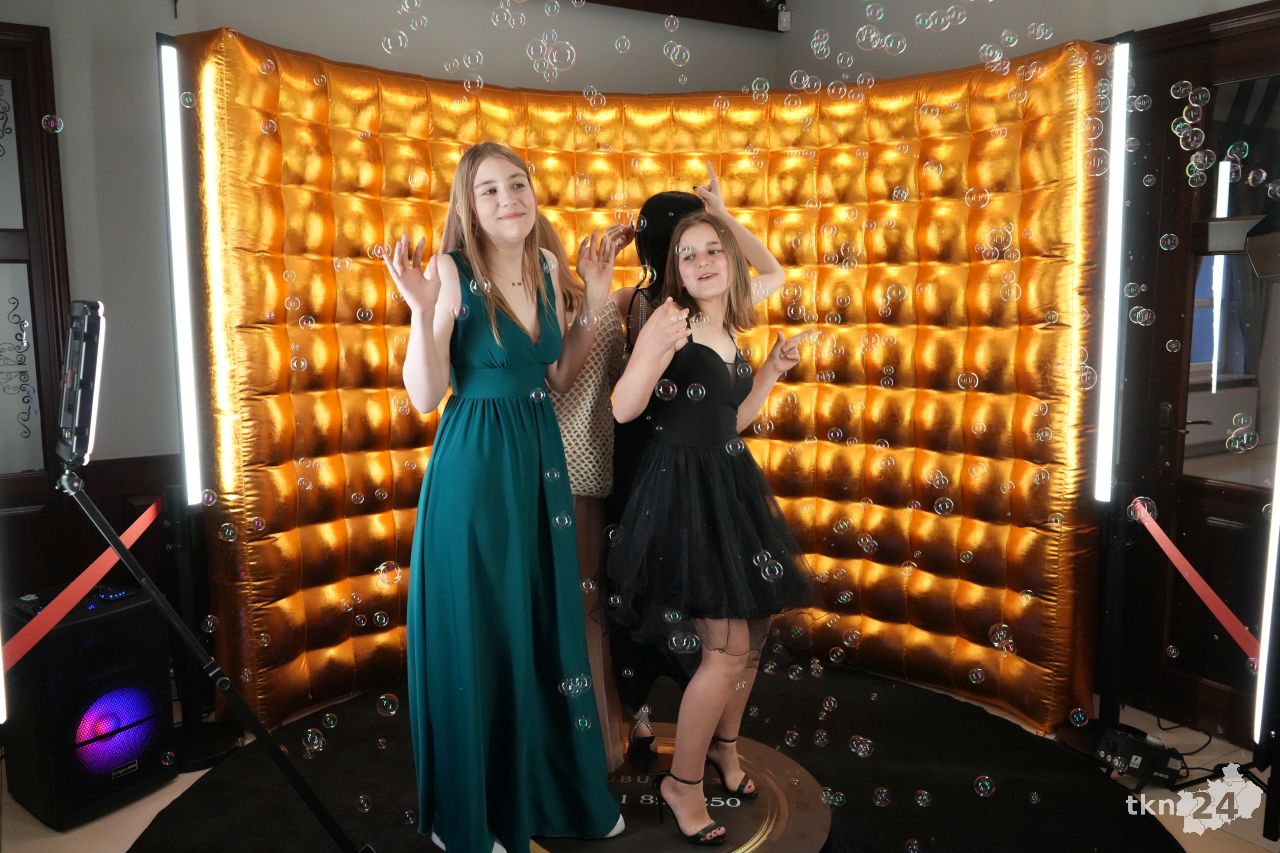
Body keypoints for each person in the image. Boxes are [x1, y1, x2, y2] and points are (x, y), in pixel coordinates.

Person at [385, 141, 624, 852]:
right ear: (468, 205)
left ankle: (547, 791)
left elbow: (556, 376)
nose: (507, 198)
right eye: (488, 189)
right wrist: (421, 310)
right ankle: (468, 815)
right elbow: (425, 394)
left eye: (516, 184)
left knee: (539, 624)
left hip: (537, 458)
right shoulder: (449, 272)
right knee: (485, 629)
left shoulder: (547, 265)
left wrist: (596, 299)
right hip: (476, 467)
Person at [607, 211, 813, 845]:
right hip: (683, 492)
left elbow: (731, 420)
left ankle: (725, 749)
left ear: (730, 260)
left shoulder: (730, 327)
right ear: (676, 270)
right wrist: (651, 348)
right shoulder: (673, 321)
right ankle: (683, 784)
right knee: (723, 650)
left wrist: (770, 372)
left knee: (752, 638)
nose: (702, 262)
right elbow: (623, 407)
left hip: (729, 483)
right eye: (688, 254)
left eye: (713, 250)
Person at [541, 213, 632, 770]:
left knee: (554, 616)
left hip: (548, 478)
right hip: (593, 476)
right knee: (587, 615)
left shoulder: (537, 312)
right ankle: (597, 745)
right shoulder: (600, 309)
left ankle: (569, 752)